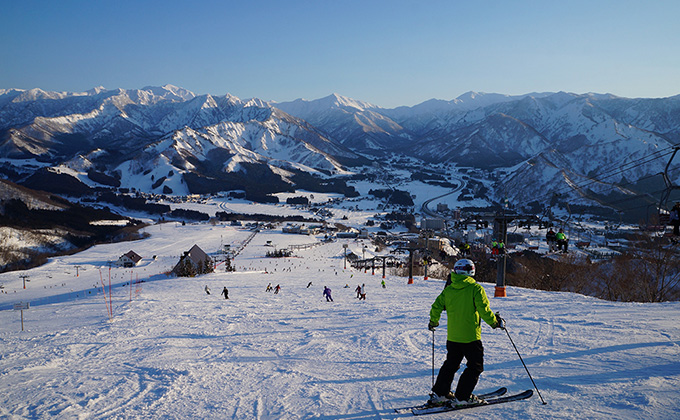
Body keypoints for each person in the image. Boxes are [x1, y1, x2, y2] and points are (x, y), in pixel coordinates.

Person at [427, 259, 504, 407]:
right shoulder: (475, 289)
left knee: (451, 364)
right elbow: (484, 311)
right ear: (471, 271)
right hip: (470, 337)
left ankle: (440, 394)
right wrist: (495, 323)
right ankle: (462, 397)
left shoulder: (449, 289)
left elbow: (436, 307)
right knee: (475, 366)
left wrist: (433, 322)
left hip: (453, 337)